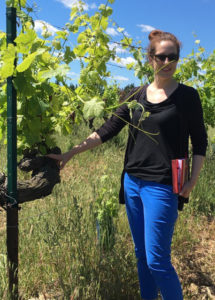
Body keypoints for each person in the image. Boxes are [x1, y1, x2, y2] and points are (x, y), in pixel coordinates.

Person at [47, 30, 208, 300]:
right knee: (142, 255)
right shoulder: (134, 94)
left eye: (173, 57)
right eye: (161, 56)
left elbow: (200, 142)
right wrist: (70, 153)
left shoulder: (187, 97)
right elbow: (107, 129)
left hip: (163, 186)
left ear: (178, 59)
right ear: (150, 59)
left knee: (157, 260)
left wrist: (192, 182)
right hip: (132, 182)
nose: (167, 62)